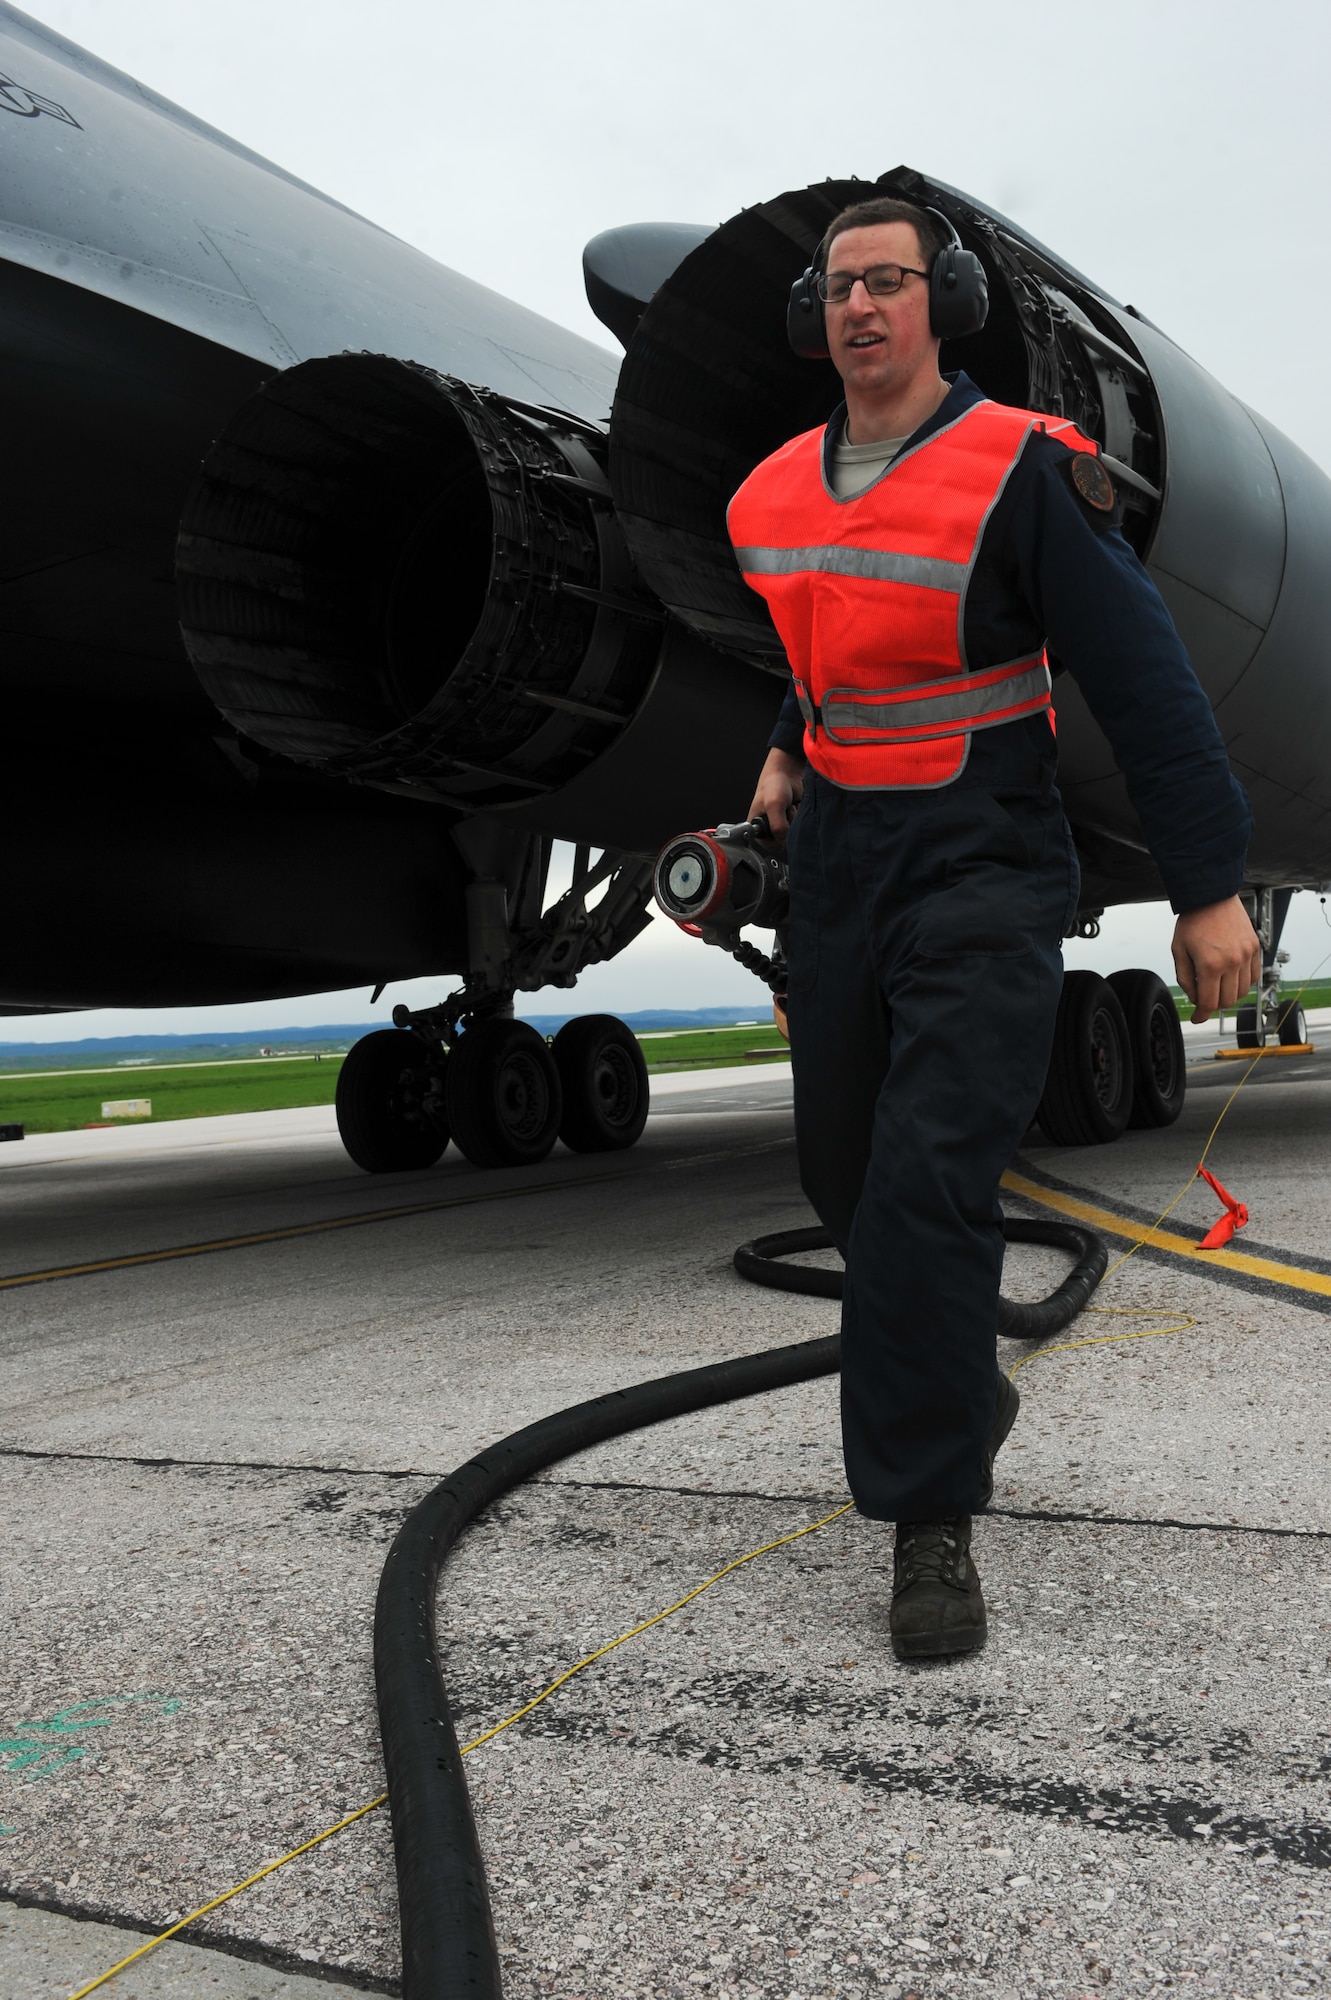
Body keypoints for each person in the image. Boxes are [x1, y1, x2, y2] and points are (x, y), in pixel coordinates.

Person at [727, 196, 1259, 1661]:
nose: (861, 308)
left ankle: (930, 1520)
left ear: (942, 303)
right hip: (839, 864)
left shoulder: (1024, 468)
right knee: (845, 1178)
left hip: (984, 855)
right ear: (813, 315)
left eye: (890, 282)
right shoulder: (770, 493)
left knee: (925, 1184)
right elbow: (833, 626)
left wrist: (1207, 885)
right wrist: (787, 738)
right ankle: (953, 1379)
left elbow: (1144, 681)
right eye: (839, 288)